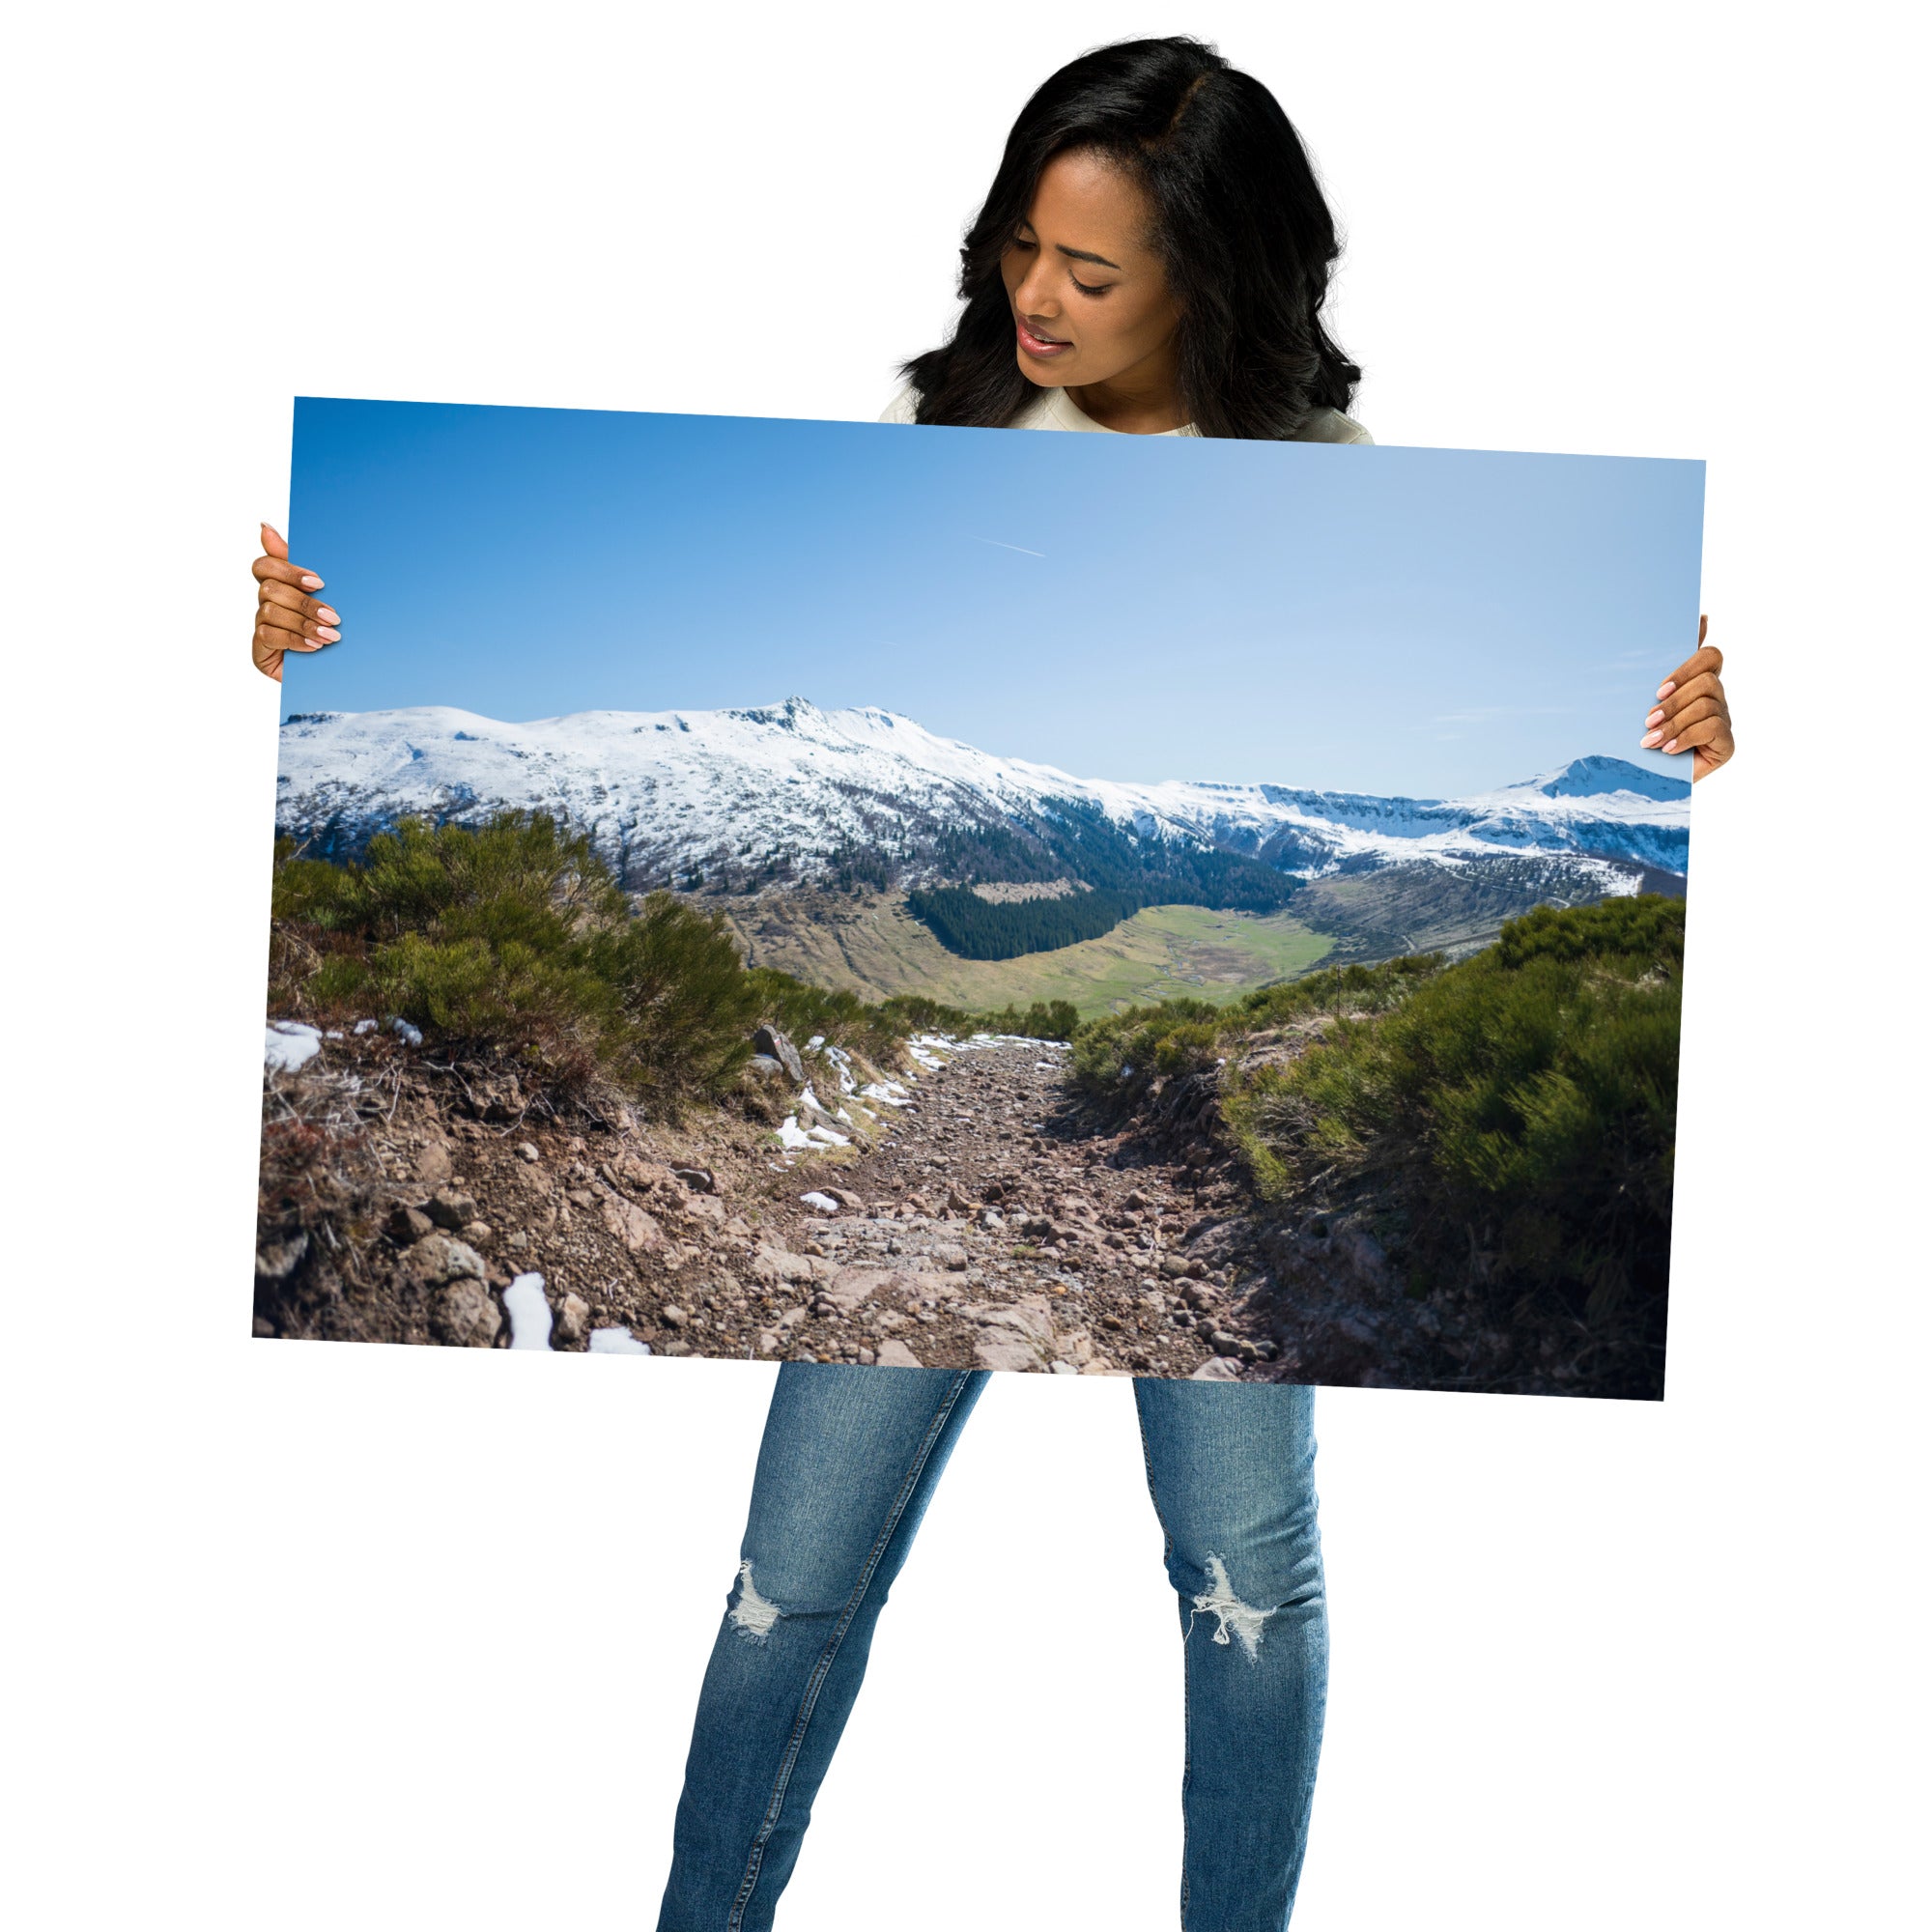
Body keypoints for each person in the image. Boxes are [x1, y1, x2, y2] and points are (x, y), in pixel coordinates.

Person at [247, 38, 1734, 1930]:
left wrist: (1697, 732)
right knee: (789, 1578)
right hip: (940, 1138)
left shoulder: (1333, 484)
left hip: (1206, 1195)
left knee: (1243, 1581)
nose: (1035, 298)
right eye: (1022, 246)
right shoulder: (934, 431)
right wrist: (291, 635)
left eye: (1091, 273)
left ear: (1218, 274)